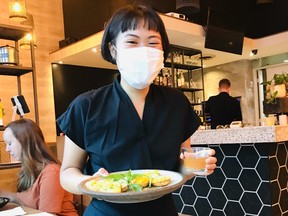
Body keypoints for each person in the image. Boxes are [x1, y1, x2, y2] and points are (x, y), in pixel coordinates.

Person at [57, 3, 217, 216]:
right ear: (114, 49)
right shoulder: (86, 106)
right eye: (132, 41)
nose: (144, 50)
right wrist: (90, 183)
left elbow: (183, 163)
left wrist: (195, 166)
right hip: (106, 212)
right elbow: (68, 171)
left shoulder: (176, 104)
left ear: (162, 52)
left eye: (153, 43)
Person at [0, 118, 78, 215]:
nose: (7, 149)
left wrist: (10, 196)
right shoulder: (29, 169)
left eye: (10, 143)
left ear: (25, 141)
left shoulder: (52, 172)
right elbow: (27, 199)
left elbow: (47, 214)